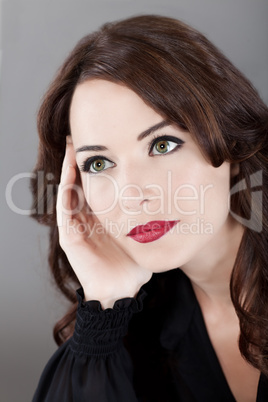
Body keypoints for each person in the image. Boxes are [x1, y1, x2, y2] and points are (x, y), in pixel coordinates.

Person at [31, 15, 268, 402]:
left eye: (162, 145)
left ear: (231, 146)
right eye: (99, 164)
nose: (131, 195)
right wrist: (106, 303)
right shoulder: (136, 332)